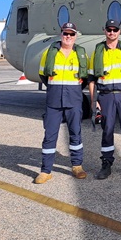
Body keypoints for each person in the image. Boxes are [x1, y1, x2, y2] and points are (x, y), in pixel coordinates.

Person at [34, 22, 89, 184]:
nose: (68, 37)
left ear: (75, 36)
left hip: (74, 100)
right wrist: (56, 89)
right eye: (66, 33)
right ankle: (46, 171)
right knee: (50, 136)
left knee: (75, 134)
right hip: (54, 101)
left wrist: (73, 91)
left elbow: (84, 78)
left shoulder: (80, 54)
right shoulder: (50, 53)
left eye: (71, 34)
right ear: (61, 34)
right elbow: (43, 75)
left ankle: (77, 166)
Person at [88, 19, 121, 179]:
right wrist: (93, 100)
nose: (112, 32)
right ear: (104, 30)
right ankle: (106, 164)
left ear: (119, 31)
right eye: (109, 29)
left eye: (115, 30)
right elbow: (91, 79)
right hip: (105, 97)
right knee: (107, 131)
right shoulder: (98, 52)